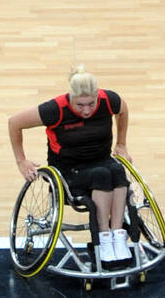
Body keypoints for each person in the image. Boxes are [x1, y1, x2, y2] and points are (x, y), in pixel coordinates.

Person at [8, 66, 132, 265]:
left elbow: (123, 110)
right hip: (68, 172)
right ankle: (103, 237)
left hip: (102, 161)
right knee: (102, 174)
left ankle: (117, 235)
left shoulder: (109, 100)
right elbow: (14, 123)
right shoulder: (55, 109)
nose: (86, 110)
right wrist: (21, 161)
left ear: (97, 97)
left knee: (117, 170)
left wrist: (121, 144)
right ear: (70, 98)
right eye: (80, 105)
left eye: (91, 104)